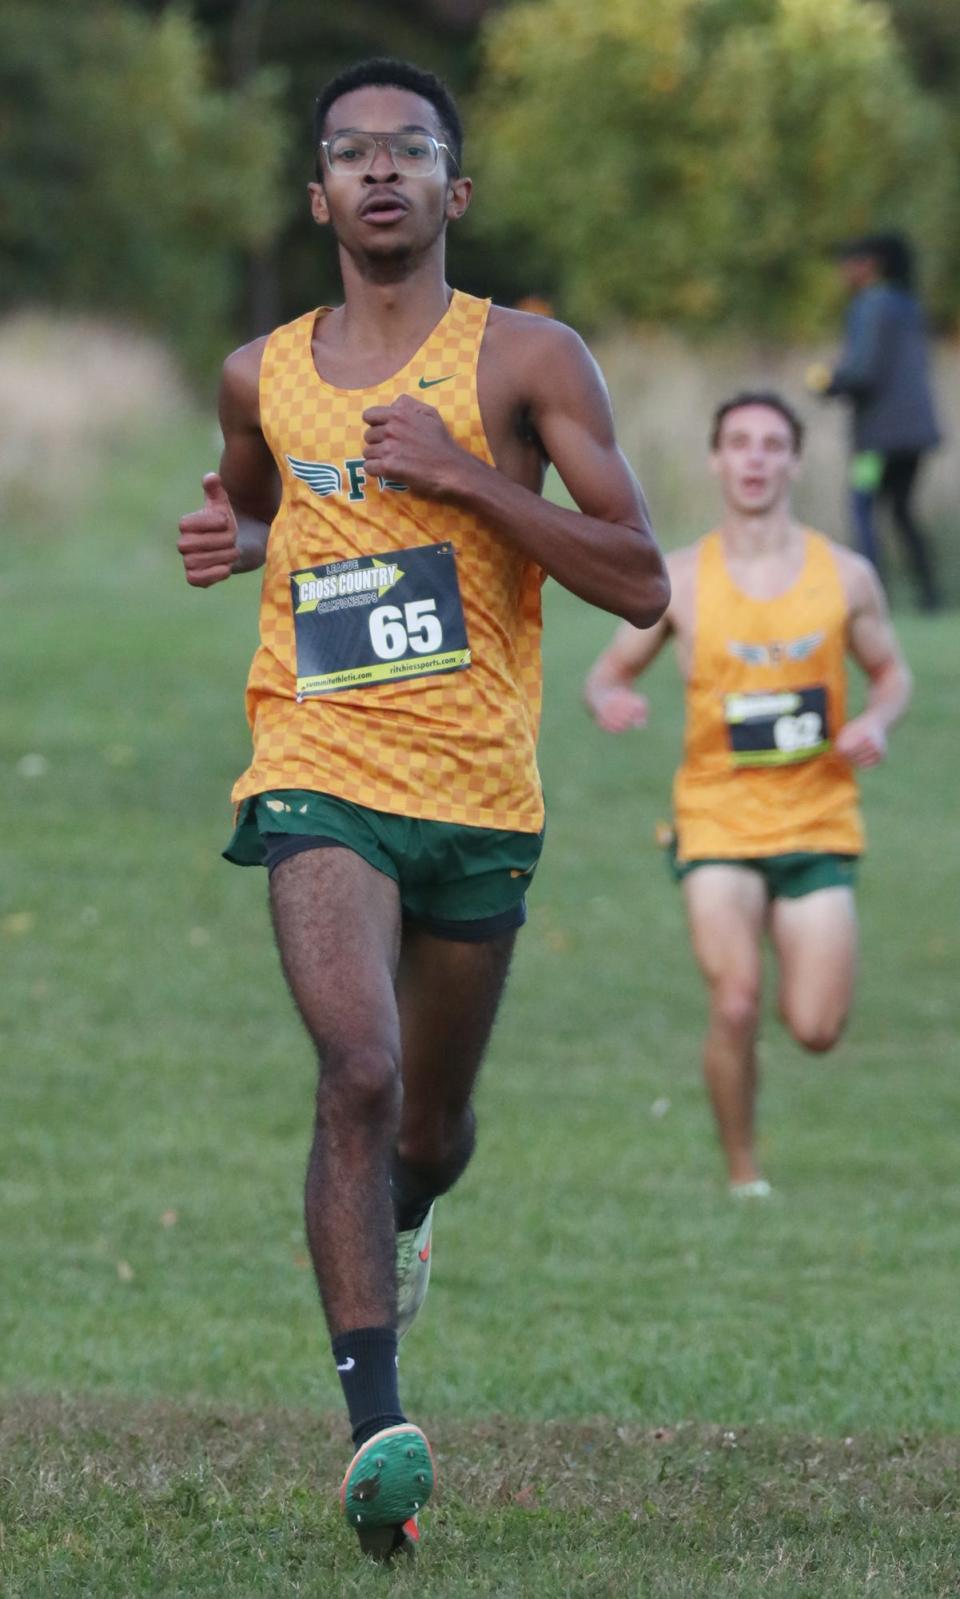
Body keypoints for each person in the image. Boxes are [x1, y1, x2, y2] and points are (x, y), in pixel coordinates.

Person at [177, 56, 668, 1560]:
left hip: (478, 795)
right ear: (317, 195)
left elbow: (638, 572)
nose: (378, 170)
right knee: (359, 1068)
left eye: (409, 150)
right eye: (348, 151)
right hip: (318, 764)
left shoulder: (526, 361)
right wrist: (238, 530)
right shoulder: (262, 369)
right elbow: (272, 493)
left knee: (432, 1129)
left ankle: (411, 1209)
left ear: (455, 191)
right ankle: (376, 1427)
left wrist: (463, 480)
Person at [584, 391, 911, 1198]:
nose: (756, 458)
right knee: (734, 1001)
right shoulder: (683, 577)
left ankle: (794, 952)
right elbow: (608, 668)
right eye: (740, 443)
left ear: (795, 461)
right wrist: (610, 699)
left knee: (816, 1029)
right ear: (717, 460)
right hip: (717, 820)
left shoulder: (847, 576)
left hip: (817, 820)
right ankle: (744, 1176)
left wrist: (877, 720)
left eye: (772, 444)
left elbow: (892, 671)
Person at [807, 231, 943, 611]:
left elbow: (863, 371)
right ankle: (930, 595)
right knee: (901, 510)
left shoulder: (869, 305)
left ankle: (873, 595)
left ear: (868, 265)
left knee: (862, 505)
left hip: (878, 440)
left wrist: (827, 381)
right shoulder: (907, 304)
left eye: (849, 263)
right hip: (915, 435)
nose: (843, 272)